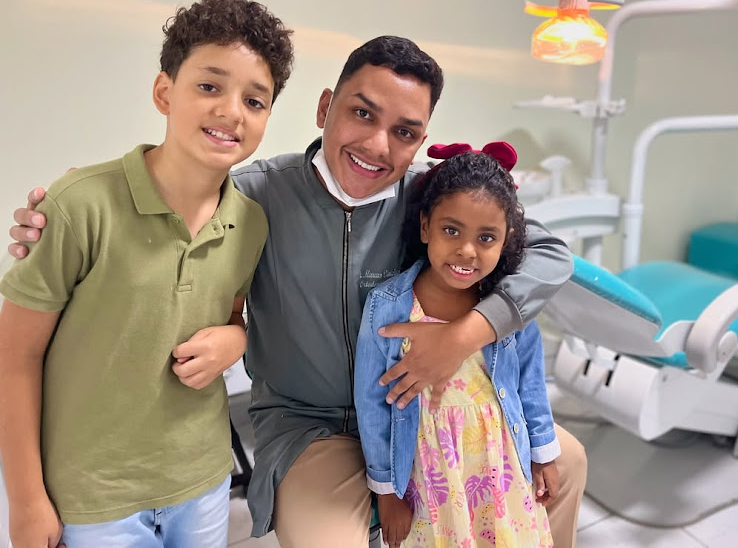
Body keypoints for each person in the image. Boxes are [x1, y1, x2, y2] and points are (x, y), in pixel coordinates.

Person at [8, 36, 587, 547]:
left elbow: (550, 254)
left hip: (423, 410)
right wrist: (61, 214)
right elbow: (166, 210)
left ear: (420, 141)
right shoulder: (253, 196)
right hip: (309, 425)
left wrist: (464, 337)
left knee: (569, 461)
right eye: (362, 113)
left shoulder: (431, 200)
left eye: (404, 132)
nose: (378, 145)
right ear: (325, 107)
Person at [0, 0, 293, 548]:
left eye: (254, 100)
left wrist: (235, 339)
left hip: (202, 483)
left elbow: (233, 316)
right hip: (93, 497)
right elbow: (15, 356)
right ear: (164, 92)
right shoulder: (78, 205)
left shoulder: (252, 222)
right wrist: (26, 499)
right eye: (209, 86)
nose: (232, 111)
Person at [355, 144, 559, 547]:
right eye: (451, 230)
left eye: (486, 237)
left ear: (506, 240)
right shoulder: (388, 306)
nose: (467, 250)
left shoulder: (507, 307)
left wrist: (544, 453)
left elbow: (531, 384)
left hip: (500, 466)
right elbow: (372, 403)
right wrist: (387, 492)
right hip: (431, 476)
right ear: (426, 227)